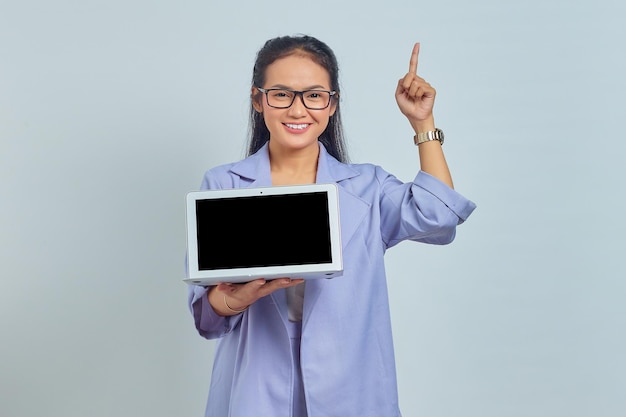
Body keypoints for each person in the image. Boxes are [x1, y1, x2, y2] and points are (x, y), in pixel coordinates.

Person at [187, 34, 476, 417]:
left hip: (350, 381)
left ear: (331, 104)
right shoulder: (223, 184)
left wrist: (423, 123)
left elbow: (438, 214)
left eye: (314, 95)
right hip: (257, 377)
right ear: (258, 100)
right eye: (281, 94)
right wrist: (232, 300)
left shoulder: (366, 187)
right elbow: (205, 317)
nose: (297, 109)